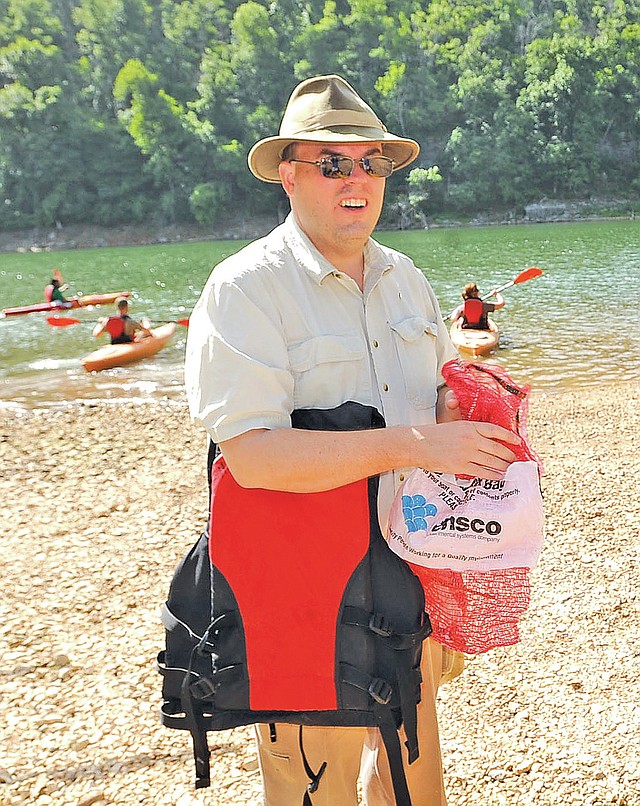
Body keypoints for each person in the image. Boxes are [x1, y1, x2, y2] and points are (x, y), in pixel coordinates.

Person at [184, 74, 520, 806]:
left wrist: (476, 418)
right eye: (333, 162)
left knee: (414, 780)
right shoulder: (244, 289)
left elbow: (437, 406)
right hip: (304, 596)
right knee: (319, 789)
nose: (358, 177)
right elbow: (252, 458)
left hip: (414, 572)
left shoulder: (409, 281)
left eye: (372, 162)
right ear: (289, 173)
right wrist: (415, 445)